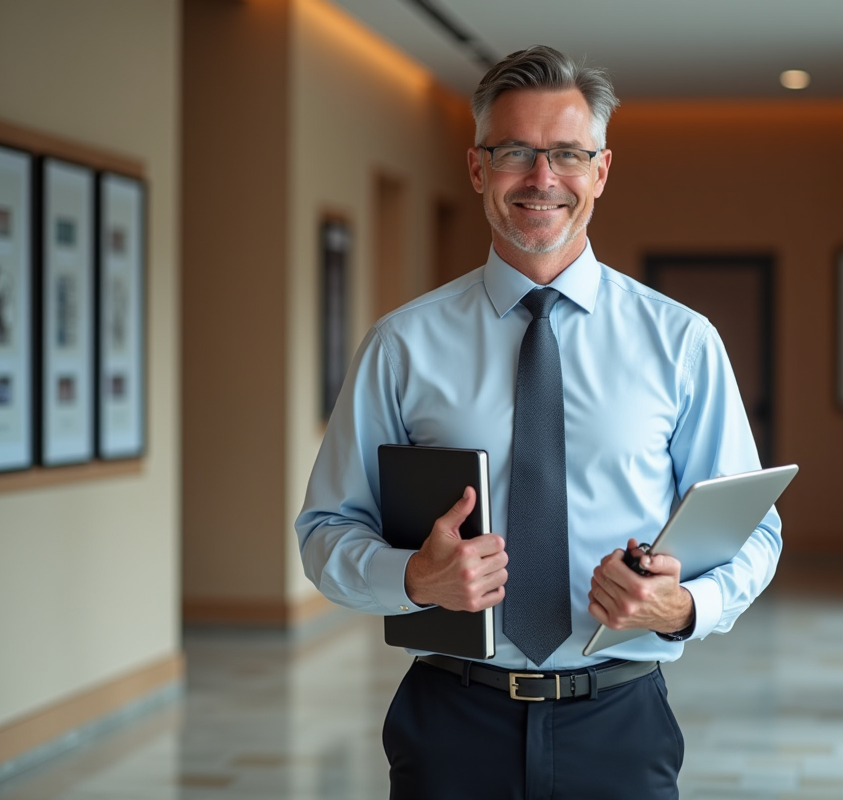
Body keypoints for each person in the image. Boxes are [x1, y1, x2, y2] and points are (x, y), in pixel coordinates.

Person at [295, 44, 782, 800]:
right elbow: (325, 531)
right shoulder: (402, 346)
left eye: (567, 154)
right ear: (477, 168)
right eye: (517, 152)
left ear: (602, 172)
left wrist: (686, 605)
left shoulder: (681, 343)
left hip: (621, 719)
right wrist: (413, 579)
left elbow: (755, 530)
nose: (543, 178)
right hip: (450, 720)